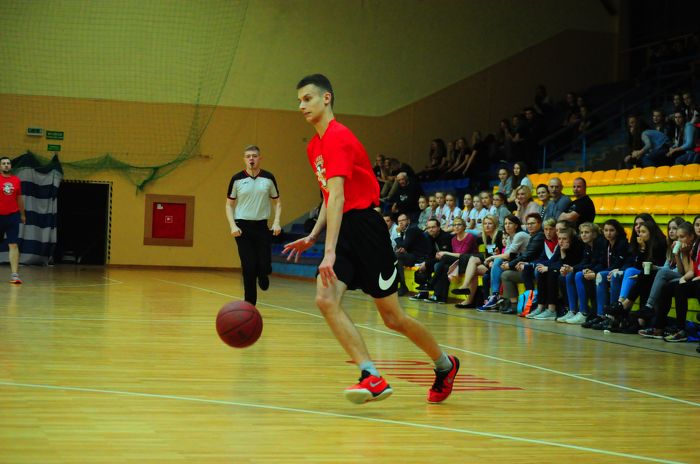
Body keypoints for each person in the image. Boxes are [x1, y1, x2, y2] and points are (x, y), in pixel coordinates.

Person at [284, 74, 458, 404]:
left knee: (393, 318)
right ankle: (370, 375)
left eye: (307, 99)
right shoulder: (313, 146)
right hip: (343, 229)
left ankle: (445, 364)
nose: (301, 106)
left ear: (326, 98)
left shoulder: (339, 137)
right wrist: (313, 235)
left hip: (366, 230)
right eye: (299, 101)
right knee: (325, 299)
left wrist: (328, 251)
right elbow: (329, 197)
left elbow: (338, 196)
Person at [226, 145, 282, 305]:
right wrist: (233, 226)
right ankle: (249, 304)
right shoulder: (236, 179)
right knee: (248, 266)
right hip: (242, 228)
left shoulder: (268, 178)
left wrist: (276, 222)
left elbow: (277, 202)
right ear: (244, 159)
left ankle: (263, 274)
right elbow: (228, 205)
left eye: (254, 156)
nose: (251, 159)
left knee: (264, 265)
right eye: (248, 156)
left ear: (260, 158)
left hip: (262, 227)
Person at [451, 215, 503, 308]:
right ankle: (469, 299)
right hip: (490, 264)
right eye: (485, 223)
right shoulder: (487, 237)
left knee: (473, 262)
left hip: (499, 265)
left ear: (495, 225)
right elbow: (489, 255)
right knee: (473, 264)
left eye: (490, 223)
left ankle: (466, 288)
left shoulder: (499, 235)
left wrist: (493, 259)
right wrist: (489, 261)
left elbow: (504, 252)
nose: (487, 225)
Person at [0, 157, 25, 284]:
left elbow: (19, 198)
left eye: (8, 163)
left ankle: (15, 275)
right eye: (3, 163)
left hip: (13, 216)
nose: (6, 165)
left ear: (11, 166)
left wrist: (22, 214)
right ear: (0, 166)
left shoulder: (16, 180)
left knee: (13, 244)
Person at [394, 213, 431, 296]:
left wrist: (398, 233)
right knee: (396, 257)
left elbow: (403, 247)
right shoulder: (406, 231)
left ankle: (402, 286)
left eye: (403, 220)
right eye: (399, 221)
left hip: (420, 257)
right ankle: (401, 285)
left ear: (408, 221)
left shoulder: (412, 230)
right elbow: (401, 248)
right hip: (413, 256)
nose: (400, 223)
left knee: (397, 256)